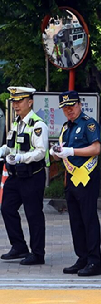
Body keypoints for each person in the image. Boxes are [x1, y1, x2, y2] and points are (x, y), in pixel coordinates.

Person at [50, 90, 101, 277]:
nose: (69, 110)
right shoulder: (67, 127)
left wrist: (72, 151)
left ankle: (95, 261)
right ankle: (82, 258)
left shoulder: (88, 123)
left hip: (87, 178)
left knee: (88, 219)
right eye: (65, 108)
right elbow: (61, 154)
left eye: (71, 106)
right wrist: (56, 152)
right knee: (76, 221)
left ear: (79, 104)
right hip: (71, 179)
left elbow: (96, 148)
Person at [0, 87, 49, 266]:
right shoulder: (16, 123)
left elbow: (41, 152)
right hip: (15, 176)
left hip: (32, 175)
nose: (16, 105)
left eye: (20, 101)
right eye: (14, 101)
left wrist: (21, 158)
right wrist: (2, 151)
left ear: (30, 102)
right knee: (6, 208)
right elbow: (11, 145)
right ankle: (19, 246)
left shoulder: (37, 125)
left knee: (33, 214)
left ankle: (37, 253)